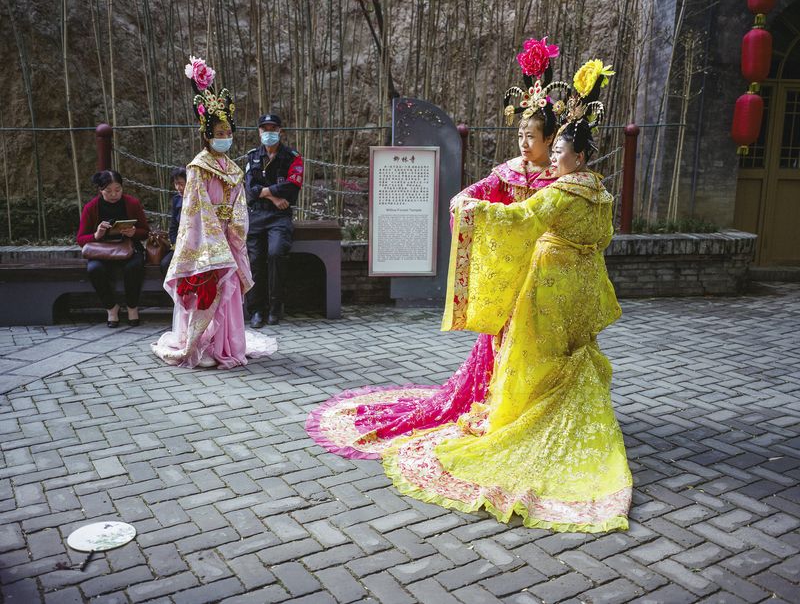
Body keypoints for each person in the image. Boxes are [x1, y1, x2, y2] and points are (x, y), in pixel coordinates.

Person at [380, 59, 632, 533]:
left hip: (544, 285)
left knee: (529, 353)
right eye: (525, 136)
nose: (529, 146)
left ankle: (523, 417)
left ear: (567, 150)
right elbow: (598, 237)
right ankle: (544, 407)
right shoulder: (596, 190)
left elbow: (522, 221)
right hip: (575, 284)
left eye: (542, 140)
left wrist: (480, 214)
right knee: (563, 353)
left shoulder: (561, 189)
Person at [306, 37, 562, 459]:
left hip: (545, 273)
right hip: (512, 273)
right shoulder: (511, 171)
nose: (522, 142)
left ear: (550, 139)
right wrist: (466, 201)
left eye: (530, 135)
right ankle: (504, 400)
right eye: (519, 133)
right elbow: (475, 192)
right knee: (504, 339)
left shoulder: (560, 180)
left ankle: (538, 402)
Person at [152, 56, 276, 368]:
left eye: (227, 131)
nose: (224, 136)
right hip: (205, 241)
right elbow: (195, 208)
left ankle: (226, 345)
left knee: (230, 287)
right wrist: (215, 238)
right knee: (207, 287)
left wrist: (233, 226)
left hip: (226, 236)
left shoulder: (233, 168)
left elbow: (239, 203)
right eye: (218, 131)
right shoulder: (197, 167)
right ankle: (201, 345)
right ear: (207, 135)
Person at [244, 113, 304, 327]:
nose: (268, 133)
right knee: (254, 261)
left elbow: (293, 185)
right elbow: (249, 190)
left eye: (273, 129)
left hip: (279, 217)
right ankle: (256, 310)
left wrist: (266, 191)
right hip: (257, 215)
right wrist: (273, 196)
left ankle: (275, 306)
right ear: (259, 132)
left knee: (276, 253)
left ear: (280, 131)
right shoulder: (252, 157)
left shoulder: (293, 157)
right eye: (264, 129)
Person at [76, 170, 150, 327]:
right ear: (100, 190)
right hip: (101, 251)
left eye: (118, 190)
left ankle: (132, 307)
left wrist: (134, 232)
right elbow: (81, 239)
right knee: (94, 269)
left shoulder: (132, 203)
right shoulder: (91, 208)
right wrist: (96, 234)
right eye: (108, 191)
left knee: (134, 266)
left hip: (128, 248)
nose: (113, 194)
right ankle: (111, 308)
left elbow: (145, 232)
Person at [160, 166, 186, 276]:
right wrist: (176, 243)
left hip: (198, 245)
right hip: (180, 244)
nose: (178, 188)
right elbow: (173, 227)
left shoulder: (201, 199)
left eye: (181, 184)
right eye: (176, 184)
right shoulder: (177, 199)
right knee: (165, 264)